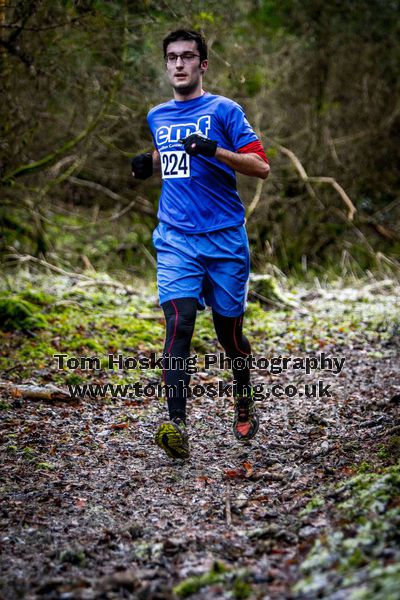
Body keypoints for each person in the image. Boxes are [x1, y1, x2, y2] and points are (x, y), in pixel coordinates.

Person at [131, 29, 270, 460]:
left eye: (187, 57)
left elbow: (260, 166)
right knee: (180, 322)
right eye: (172, 57)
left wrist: (216, 151)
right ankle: (176, 424)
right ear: (165, 63)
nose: (178, 64)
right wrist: (148, 163)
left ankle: (243, 395)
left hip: (225, 238)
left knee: (229, 335)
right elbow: (173, 154)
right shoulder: (157, 115)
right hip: (174, 237)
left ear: (202, 65)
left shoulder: (225, 110)